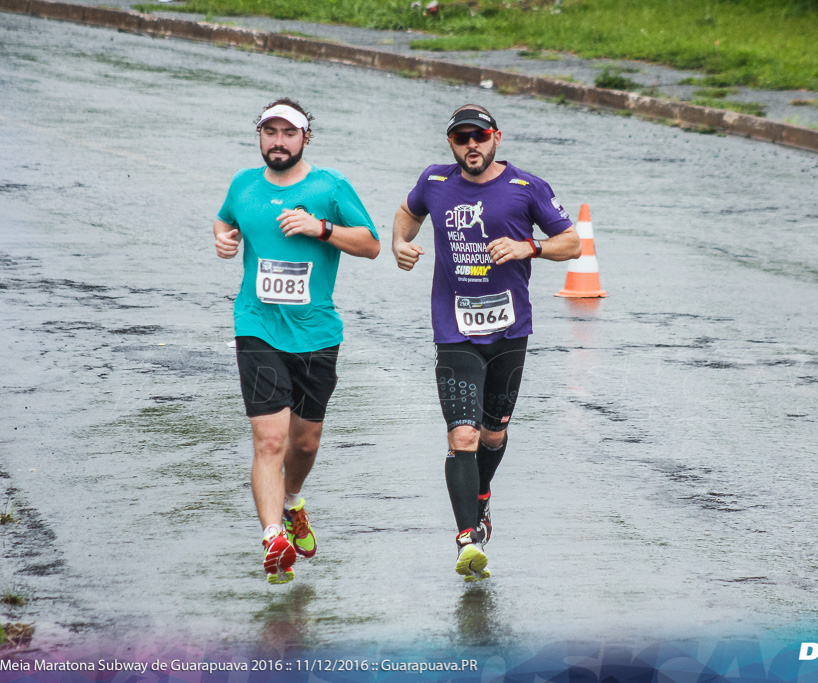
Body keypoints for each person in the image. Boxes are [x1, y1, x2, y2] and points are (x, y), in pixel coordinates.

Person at [392, 104, 582, 581]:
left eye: (479, 136)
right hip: (454, 330)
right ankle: (466, 540)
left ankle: (481, 497)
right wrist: (401, 243)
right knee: (464, 436)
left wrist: (529, 246)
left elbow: (573, 243)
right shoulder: (435, 183)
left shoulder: (526, 188)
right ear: (451, 144)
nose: (471, 146)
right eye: (461, 139)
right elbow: (406, 212)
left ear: (496, 137)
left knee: (493, 435)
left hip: (510, 331)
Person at [214, 98, 380, 584]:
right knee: (269, 439)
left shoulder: (329, 187)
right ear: (260, 136)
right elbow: (225, 219)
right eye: (270, 132)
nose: (279, 141)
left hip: (316, 333)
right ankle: (272, 537)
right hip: (256, 326)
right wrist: (224, 239)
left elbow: (370, 244)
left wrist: (321, 227)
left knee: (304, 444)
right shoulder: (243, 185)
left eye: (290, 133)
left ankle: (291, 503)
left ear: (306, 138)